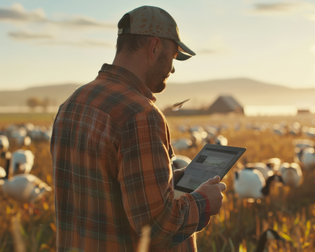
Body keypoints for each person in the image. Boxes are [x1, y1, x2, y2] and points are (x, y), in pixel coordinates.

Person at [50, 5, 226, 251]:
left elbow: (105, 189)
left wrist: (168, 182)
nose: (173, 69)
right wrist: (203, 202)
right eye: (174, 56)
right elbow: (156, 227)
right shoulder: (140, 115)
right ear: (154, 47)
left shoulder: (73, 103)